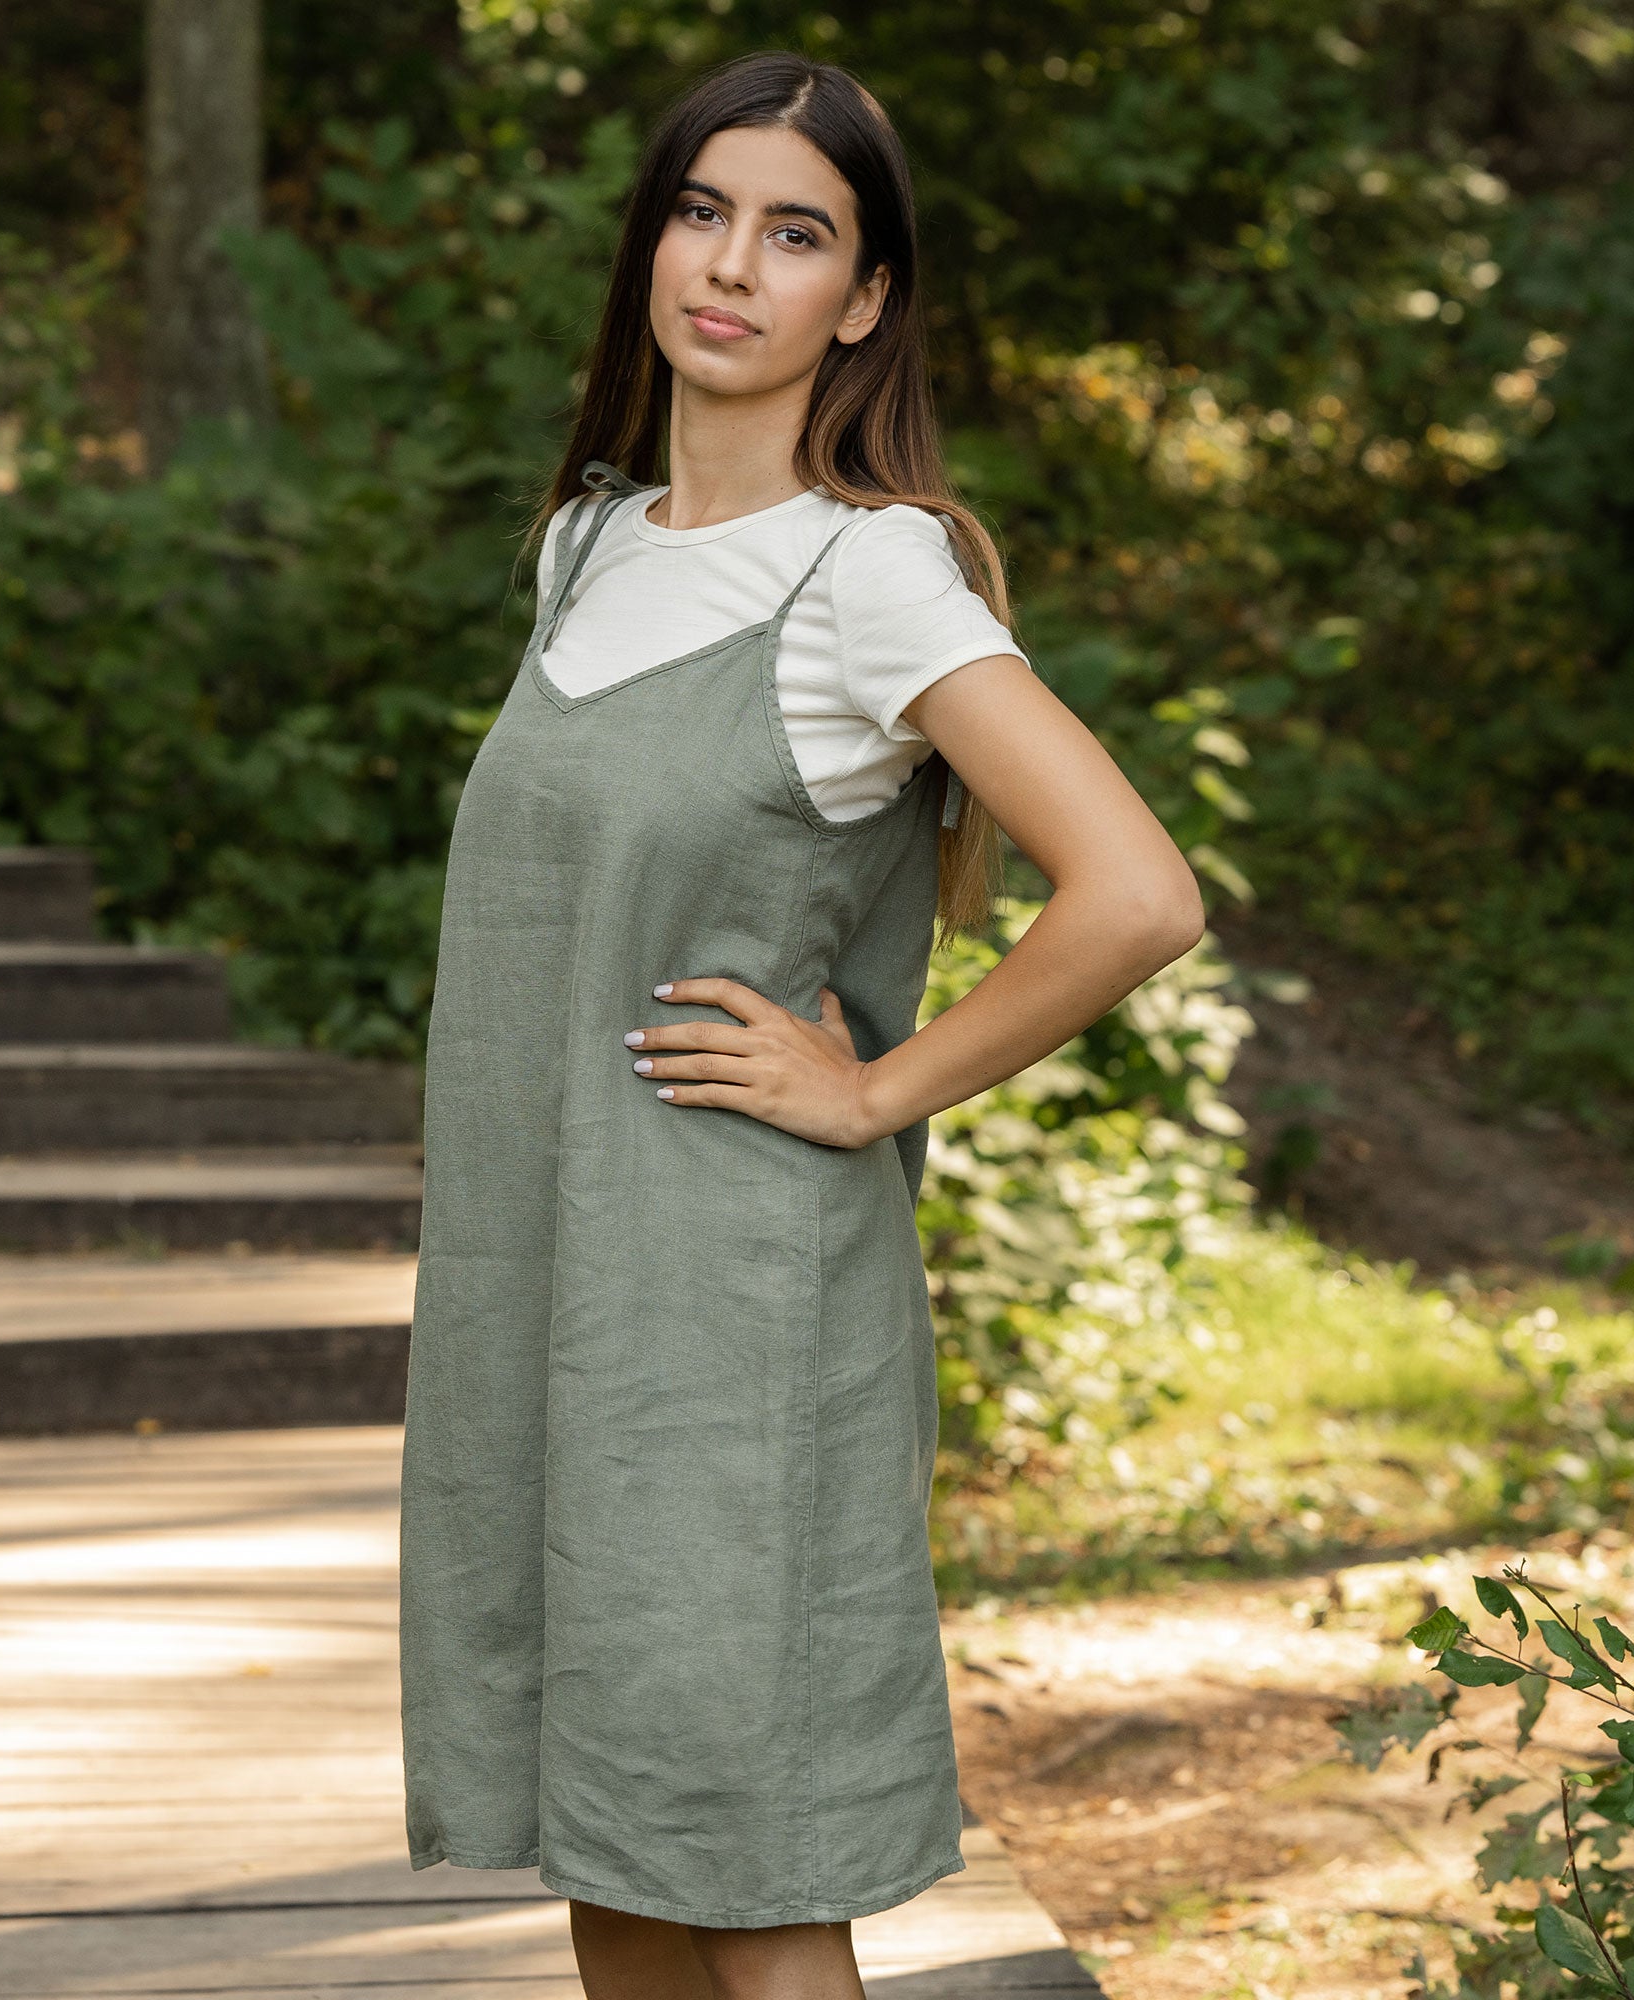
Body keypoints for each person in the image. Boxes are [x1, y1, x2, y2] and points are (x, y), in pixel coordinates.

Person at [397, 48, 1204, 2000]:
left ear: (863, 298)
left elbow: (1135, 892)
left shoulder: (870, 570)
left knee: (750, 1876)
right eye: (699, 211)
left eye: (795, 231)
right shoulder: (583, 544)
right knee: (611, 1844)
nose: (729, 266)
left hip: (731, 1321)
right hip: (542, 1290)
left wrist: (875, 1091)